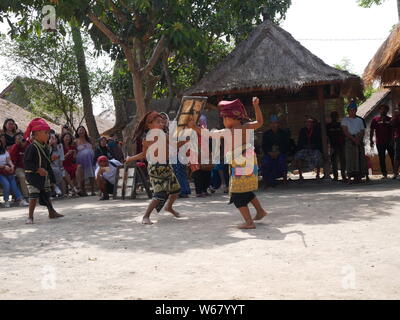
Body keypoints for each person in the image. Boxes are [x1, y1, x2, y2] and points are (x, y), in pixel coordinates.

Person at [191, 97, 267, 229]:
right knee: (245, 190)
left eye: (226, 118)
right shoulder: (246, 127)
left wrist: (194, 127)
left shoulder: (228, 131)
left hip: (241, 163)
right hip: (247, 162)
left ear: (235, 118)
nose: (224, 121)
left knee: (237, 195)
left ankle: (249, 222)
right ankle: (260, 211)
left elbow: (208, 134)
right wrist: (256, 106)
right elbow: (260, 122)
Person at [125, 111, 181, 225]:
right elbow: (144, 154)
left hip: (166, 165)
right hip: (155, 168)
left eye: (162, 122)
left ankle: (169, 207)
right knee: (159, 195)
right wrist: (130, 158)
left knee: (175, 190)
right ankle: (146, 216)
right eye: (158, 122)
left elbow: (175, 145)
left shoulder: (164, 135)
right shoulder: (147, 138)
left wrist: (187, 140)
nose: (162, 123)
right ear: (149, 125)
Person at [23, 118, 63, 224]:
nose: (48, 135)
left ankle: (51, 212)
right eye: (46, 133)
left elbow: (46, 163)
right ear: (36, 134)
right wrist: (37, 169)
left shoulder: (45, 147)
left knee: (46, 194)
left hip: (44, 176)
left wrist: (52, 178)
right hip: (32, 176)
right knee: (33, 196)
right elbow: (27, 162)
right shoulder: (32, 147)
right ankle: (30, 217)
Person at [160, 112, 191, 198]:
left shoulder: (171, 129)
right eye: (161, 118)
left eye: (164, 118)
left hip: (176, 154)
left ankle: (183, 191)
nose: (163, 120)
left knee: (180, 172)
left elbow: (176, 143)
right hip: (165, 156)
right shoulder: (159, 131)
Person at [261, 115, 290, 188]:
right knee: (265, 162)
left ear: (278, 124)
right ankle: (266, 182)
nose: (274, 125)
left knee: (281, 161)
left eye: (275, 123)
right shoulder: (266, 134)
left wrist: (279, 152)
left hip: (280, 153)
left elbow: (286, 145)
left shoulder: (283, 133)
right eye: (272, 123)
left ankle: (284, 181)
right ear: (270, 124)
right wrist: (269, 152)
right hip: (269, 154)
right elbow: (264, 146)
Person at [341, 101, 367, 184]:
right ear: (348, 111)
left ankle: (358, 177)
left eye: (353, 110)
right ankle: (349, 178)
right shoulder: (345, 120)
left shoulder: (360, 120)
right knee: (350, 159)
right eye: (350, 110)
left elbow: (362, 131)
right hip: (349, 140)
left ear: (356, 110)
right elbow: (345, 131)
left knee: (359, 158)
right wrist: (353, 139)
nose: (352, 111)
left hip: (358, 139)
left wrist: (358, 139)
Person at [0, 135, 28, 208]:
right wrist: (4, 167)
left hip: (6, 170)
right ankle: (6, 200)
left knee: (13, 182)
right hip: (1, 172)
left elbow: (9, 160)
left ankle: (20, 199)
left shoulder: (4, 151)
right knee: (6, 184)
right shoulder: (14, 147)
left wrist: (11, 166)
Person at [370, 104, 394, 178]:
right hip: (379, 142)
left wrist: (392, 140)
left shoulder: (390, 119)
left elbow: (393, 131)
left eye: (385, 109)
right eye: (382, 109)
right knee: (381, 158)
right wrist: (371, 140)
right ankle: (384, 174)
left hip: (389, 142)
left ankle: (395, 172)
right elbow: (371, 130)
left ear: (387, 110)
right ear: (379, 110)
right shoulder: (375, 120)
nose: (383, 110)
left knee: (393, 157)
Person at [75, 126, 95, 196]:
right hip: (81, 160)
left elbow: (94, 148)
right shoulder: (75, 141)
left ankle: (93, 190)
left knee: (92, 173)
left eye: (83, 130)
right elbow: (75, 151)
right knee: (83, 174)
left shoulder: (89, 139)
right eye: (80, 130)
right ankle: (84, 190)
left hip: (91, 160)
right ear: (77, 132)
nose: (81, 131)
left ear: (85, 131)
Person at [327, 111, 347, 181]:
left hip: (341, 145)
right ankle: (335, 176)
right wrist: (329, 145)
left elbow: (344, 134)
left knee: (342, 161)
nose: (334, 117)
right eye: (333, 116)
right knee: (334, 161)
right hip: (333, 145)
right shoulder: (328, 126)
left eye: (335, 116)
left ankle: (343, 175)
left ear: (337, 117)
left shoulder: (341, 125)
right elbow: (327, 136)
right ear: (331, 117)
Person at [9, 133, 29, 199]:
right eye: (18, 139)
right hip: (18, 168)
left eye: (21, 138)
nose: (21, 140)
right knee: (22, 176)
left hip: (28, 167)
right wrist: (17, 145)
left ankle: (38, 195)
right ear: (15, 141)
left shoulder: (28, 145)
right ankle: (26, 196)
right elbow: (12, 160)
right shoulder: (14, 147)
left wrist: (24, 144)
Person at [61, 132, 82, 196]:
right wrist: (67, 154)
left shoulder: (72, 147)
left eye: (69, 137)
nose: (68, 138)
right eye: (66, 137)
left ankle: (78, 186)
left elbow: (74, 160)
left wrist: (74, 154)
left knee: (79, 167)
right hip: (63, 164)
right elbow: (60, 159)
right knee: (65, 171)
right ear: (63, 138)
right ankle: (74, 188)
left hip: (70, 164)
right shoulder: (60, 146)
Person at [391, 104, 400, 179]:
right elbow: (392, 124)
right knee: (397, 156)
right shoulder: (396, 115)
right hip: (398, 137)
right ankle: (395, 174)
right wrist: (395, 116)